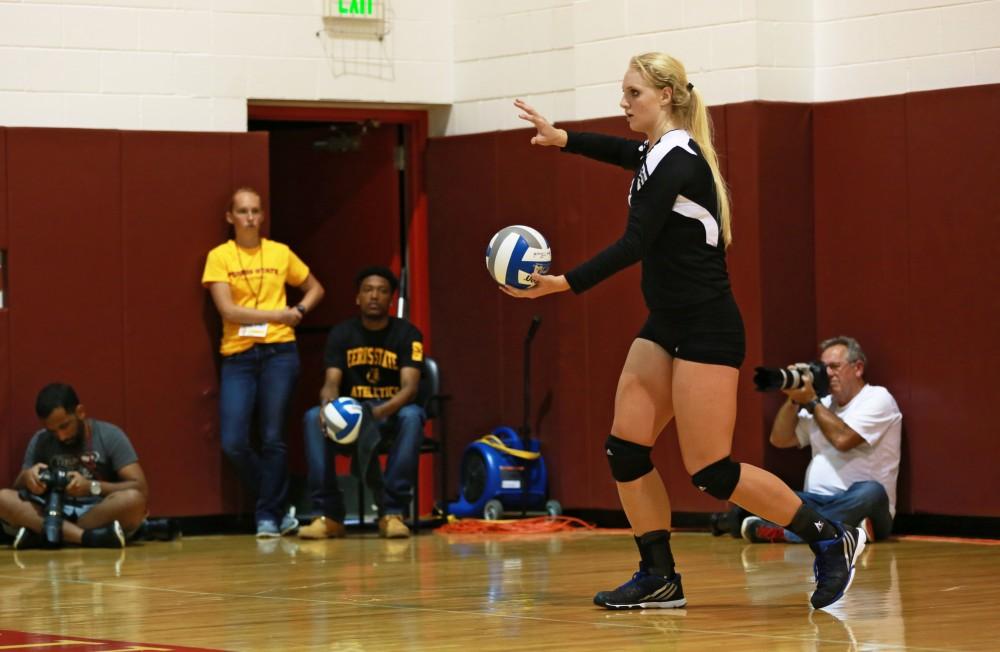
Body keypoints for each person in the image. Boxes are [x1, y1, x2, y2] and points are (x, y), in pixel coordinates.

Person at [507, 52, 866, 611]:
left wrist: (564, 284)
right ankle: (659, 576)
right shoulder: (656, 152)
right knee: (625, 449)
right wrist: (564, 139)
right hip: (665, 324)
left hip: (706, 327)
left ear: (667, 96)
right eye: (623, 93)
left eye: (633, 95)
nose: (623, 104)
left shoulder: (680, 156)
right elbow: (629, 154)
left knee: (711, 471)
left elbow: (635, 243)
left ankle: (829, 536)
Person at [202, 187, 325, 538]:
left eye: (256, 210)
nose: (250, 218)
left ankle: (269, 515)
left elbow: (316, 288)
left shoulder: (280, 253)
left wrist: (299, 311)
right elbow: (228, 310)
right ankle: (276, 503)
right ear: (230, 217)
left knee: (273, 437)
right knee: (234, 440)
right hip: (238, 354)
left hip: (279, 353)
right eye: (242, 211)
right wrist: (278, 313)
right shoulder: (220, 257)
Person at [734, 336, 902, 544]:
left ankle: (789, 533)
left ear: (858, 368)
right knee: (771, 494)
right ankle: (849, 530)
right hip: (817, 501)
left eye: (834, 366)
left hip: (868, 506)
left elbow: (843, 440)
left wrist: (812, 402)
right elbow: (780, 439)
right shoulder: (824, 404)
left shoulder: (877, 398)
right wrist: (794, 399)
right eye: (824, 368)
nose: (828, 373)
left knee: (872, 492)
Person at [298, 266, 425, 540]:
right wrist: (326, 404)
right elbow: (331, 381)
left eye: (382, 291)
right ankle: (328, 515)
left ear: (391, 299)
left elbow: (410, 388)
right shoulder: (342, 334)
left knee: (413, 416)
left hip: (389, 415)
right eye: (368, 290)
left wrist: (377, 413)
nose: (374, 296)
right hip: (350, 418)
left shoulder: (408, 334)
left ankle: (393, 512)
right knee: (311, 418)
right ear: (358, 297)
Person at [0, 383, 147, 549]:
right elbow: (17, 486)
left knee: (133, 501)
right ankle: (88, 538)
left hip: (96, 512)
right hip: (51, 510)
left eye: (64, 426)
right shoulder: (40, 439)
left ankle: (48, 535)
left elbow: (140, 487)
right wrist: (28, 478)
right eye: (52, 431)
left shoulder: (110, 435)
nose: (61, 436)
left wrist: (91, 487)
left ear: (80, 412)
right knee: (3, 498)